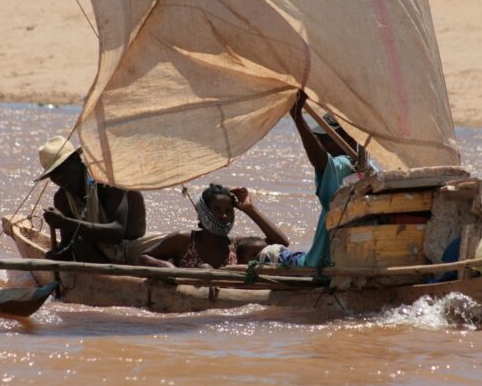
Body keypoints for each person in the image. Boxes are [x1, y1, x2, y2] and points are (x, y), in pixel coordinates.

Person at [37, 135, 167, 265]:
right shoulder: (62, 198)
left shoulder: (107, 182)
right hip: (99, 257)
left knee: (182, 238)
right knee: (79, 242)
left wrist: (65, 222)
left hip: (132, 247)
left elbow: (117, 232)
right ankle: (112, 279)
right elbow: (68, 242)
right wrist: (57, 254)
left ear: (76, 160)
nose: (59, 178)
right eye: (53, 174)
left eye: (62, 169)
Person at [138, 183, 289, 268]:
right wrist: (167, 268)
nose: (224, 216)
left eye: (228, 211)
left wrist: (249, 209)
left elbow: (281, 244)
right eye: (216, 209)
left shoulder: (236, 246)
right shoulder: (183, 240)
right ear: (203, 212)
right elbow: (142, 258)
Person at [290, 91, 357, 268]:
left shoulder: (345, 165)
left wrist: (298, 118)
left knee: (267, 253)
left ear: (349, 138)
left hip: (316, 264)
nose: (322, 145)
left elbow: (320, 162)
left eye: (326, 140)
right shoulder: (369, 168)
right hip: (329, 260)